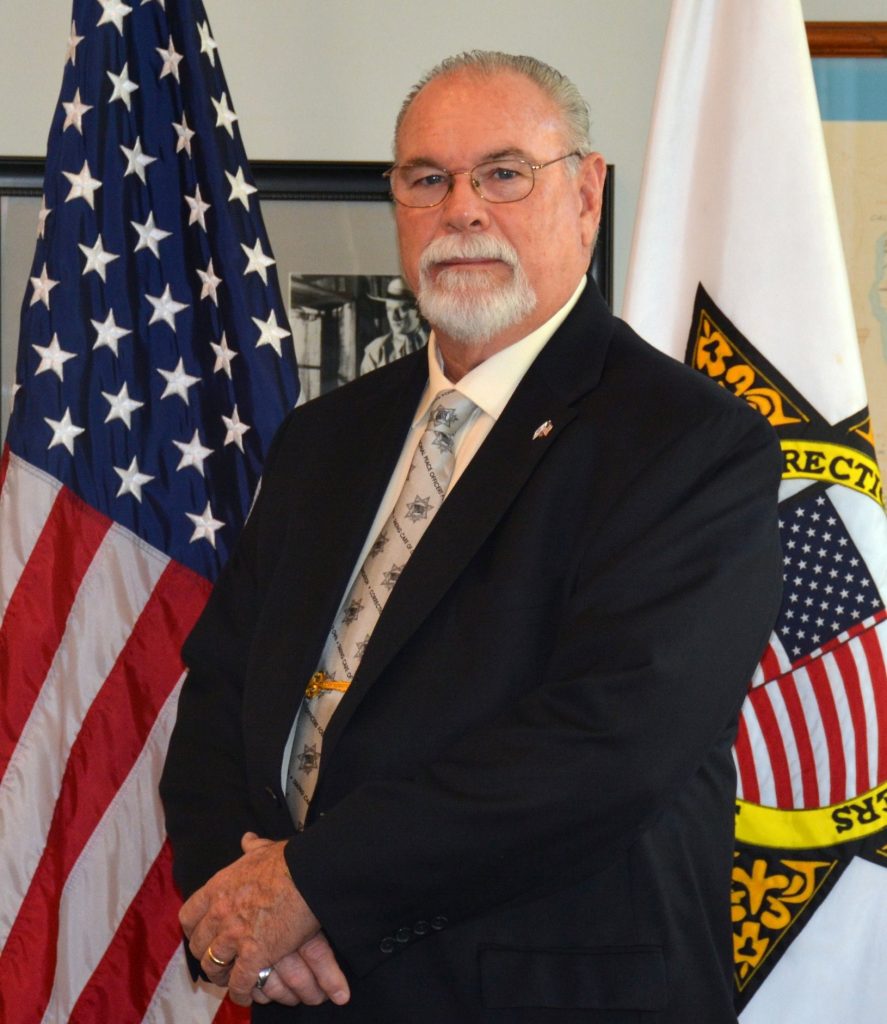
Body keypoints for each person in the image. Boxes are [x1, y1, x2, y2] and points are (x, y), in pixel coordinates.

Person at [160, 51, 783, 1023]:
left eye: (501, 173)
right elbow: (219, 699)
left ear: (585, 191)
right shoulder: (328, 436)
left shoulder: (690, 442)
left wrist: (310, 887)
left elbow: (607, 745)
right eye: (425, 179)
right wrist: (235, 907)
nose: (461, 209)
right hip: (311, 993)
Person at [359, 276, 427, 374]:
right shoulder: (375, 352)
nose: (394, 317)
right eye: (390, 309)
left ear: (418, 310)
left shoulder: (439, 347)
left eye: (402, 308)